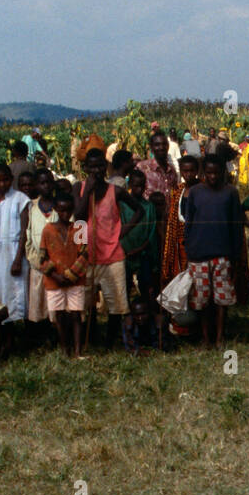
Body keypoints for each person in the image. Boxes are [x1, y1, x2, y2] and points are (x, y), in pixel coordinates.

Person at [74, 143, 143, 347]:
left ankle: (110, 341)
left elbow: (138, 210)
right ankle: (90, 339)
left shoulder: (116, 191)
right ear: (85, 168)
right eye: (91, 167)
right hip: (86, 255)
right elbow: (78, 216)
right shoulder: (79, 188)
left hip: (112, 255)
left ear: (106, 167)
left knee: (116, 304)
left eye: (99, 167)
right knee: (86, 303)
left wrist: (124, 230)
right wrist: (88, 192)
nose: (96, 171)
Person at [182, 153, 246, 347]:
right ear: (203, 172)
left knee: (221, 300)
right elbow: (188, 224)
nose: (212, 177)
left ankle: (219, 337)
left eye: (216, 173)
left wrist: (235, 256)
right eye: (209, 173)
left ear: (222, 173)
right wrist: (190, 250)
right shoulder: (195, 193)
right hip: (198, 255)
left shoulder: (230, 192)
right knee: (201, 300)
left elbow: (236, 226)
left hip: (223, 254)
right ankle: (205, 337)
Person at [38, 182, 89, 357]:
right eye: (61, 210)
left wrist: (70, 275)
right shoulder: (48, 229)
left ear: (73, 209)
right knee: (58, 316)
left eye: (68, 210)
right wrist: (56, 276)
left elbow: (85, 254)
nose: (65, 214)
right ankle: (65, 349)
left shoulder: (80, 226)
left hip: (76, 279)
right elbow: (42, 258)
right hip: (54, 281)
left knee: (76, 315)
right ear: (55, 210)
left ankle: (77, 350)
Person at [0, 163, 29, 325]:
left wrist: (18, 259)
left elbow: (24, 231)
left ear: (11, 179)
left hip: (14, 252)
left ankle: (17, 328)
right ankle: (2, 328)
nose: (2, 184)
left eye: (5, 180)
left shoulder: (20, 199)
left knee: (15, 292)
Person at [22, 167, 58, 327]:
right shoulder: (31, 207)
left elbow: (77, 231)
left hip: (59, 266)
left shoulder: (62, 205)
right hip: (39, 266)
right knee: (39, 302)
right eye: (42, 183)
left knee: (56, 305)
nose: (46, 186)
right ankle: (41, 334)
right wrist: (39, 263)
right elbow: (28, 240)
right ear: (36, 185)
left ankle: (59, 335)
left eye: (49, 182)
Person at [121, 166, 160, 304]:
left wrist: (140, 249)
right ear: (129, 184)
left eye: (141, 186)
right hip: (124, 253)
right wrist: (125, 250)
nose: (139, 189)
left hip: (143, 253)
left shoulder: (149, 207)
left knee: (145, 286)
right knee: (124, 287)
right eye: (135, 186)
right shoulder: (122, 205)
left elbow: (151, 232)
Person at [162, 154, 199, 284]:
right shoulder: (178, 190)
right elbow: (174, 215)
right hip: (180, 239)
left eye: (191, 171)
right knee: (181, 275)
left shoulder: (202, 190)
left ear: (197, 171)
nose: (188, 174)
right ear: (181, 171)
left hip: (197, 240)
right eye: (185, 171)